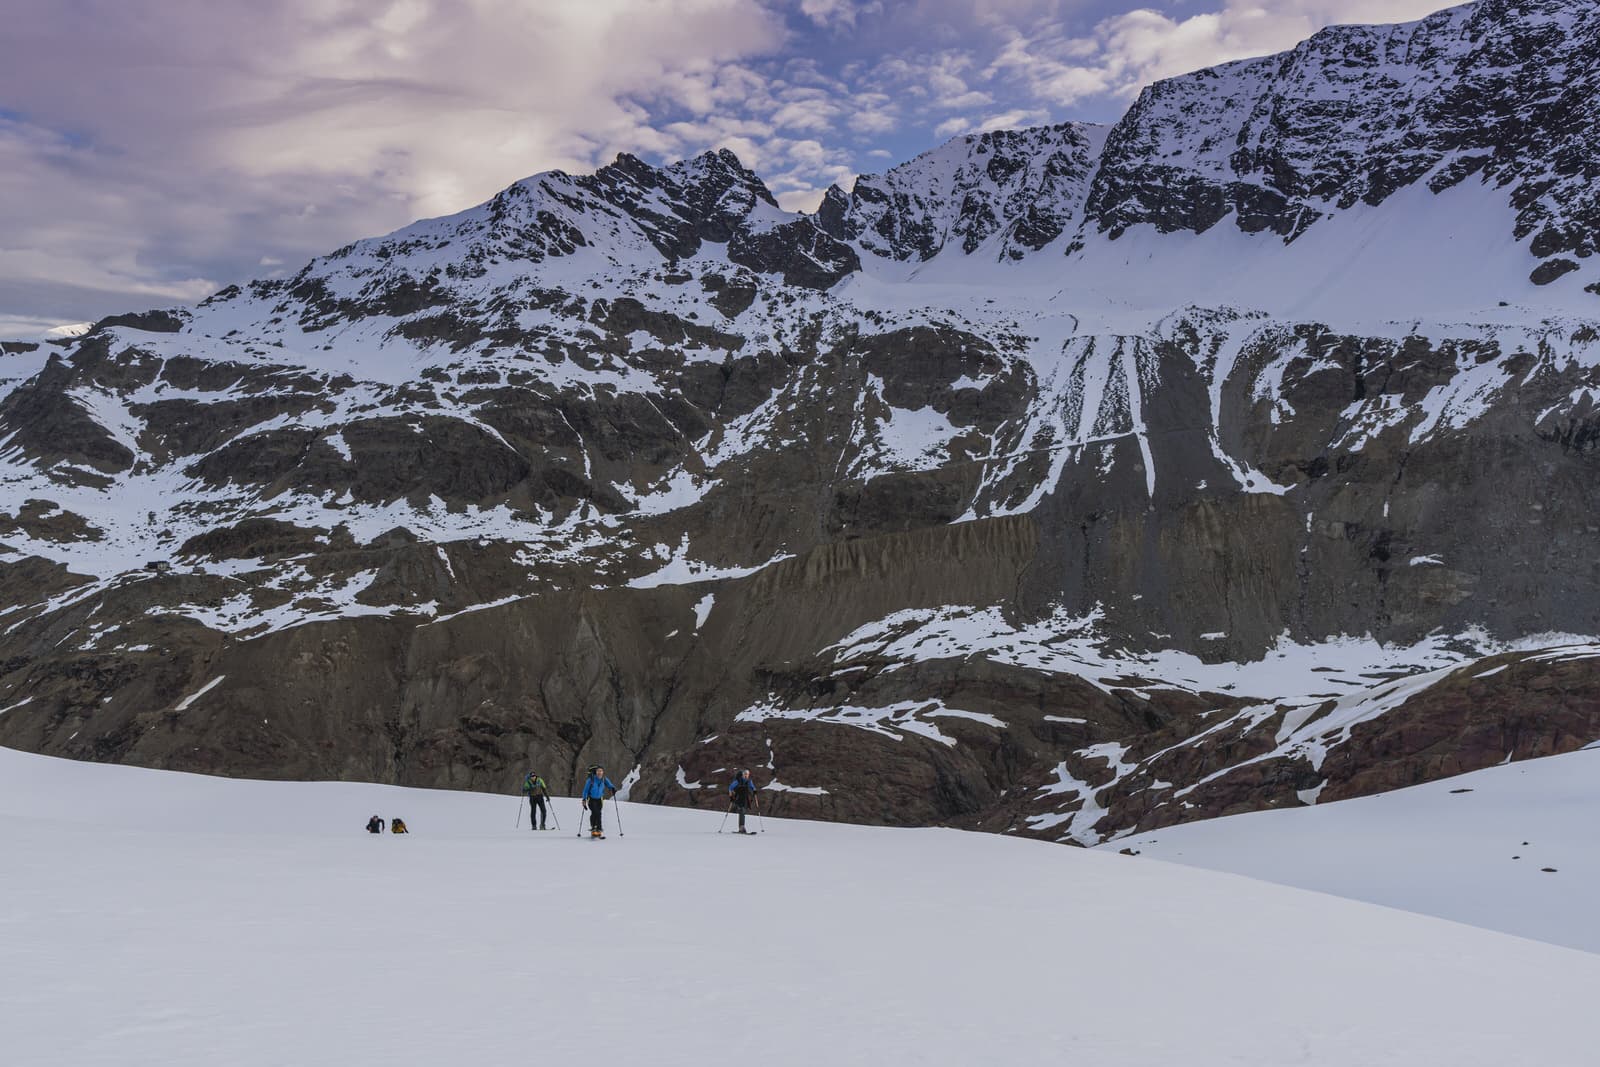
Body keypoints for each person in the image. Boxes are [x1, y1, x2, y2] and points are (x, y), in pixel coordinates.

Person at [581, 765, 619, 839]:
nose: (599, 772)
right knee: (596, 812)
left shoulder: (604, 779)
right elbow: (585, 791)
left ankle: (597, 828)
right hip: (591, 799)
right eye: (598, 771)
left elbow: (609, 785)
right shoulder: (591, 780)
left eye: (601, 771)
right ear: (596, 772)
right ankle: (596, 827)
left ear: (603, 772)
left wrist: (613, 788)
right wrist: (584, 800)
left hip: (600, 799)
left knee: (598, 813)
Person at [728, 769, 758, 833]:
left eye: (747, 775)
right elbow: (730, 787)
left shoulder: (749, 781)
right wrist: (731, 797)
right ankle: (742, 827)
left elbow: (752, 787)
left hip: (745, 799)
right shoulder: (738, 781)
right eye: (745, 774)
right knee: (742, 811)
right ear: (742, 775)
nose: (746, 776)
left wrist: (754, 791)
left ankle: (741, 827)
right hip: (738, 798)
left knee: (743, 812)